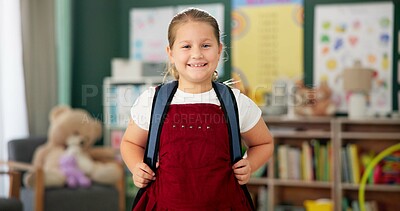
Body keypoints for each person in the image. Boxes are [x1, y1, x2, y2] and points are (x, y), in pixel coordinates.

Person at [120, 7, 274, 210]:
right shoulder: (152, 100)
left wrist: (250, 165)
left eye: (206, 45)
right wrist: (136, 167)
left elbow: (264, 143)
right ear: (171, 53)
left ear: (219, 50)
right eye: (186, 46)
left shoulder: (235, 102)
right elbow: (130, 142)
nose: (197, 54)